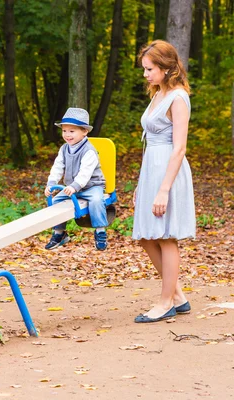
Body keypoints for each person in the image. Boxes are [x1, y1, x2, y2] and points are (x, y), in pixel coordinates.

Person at [133, 40, 195, 323]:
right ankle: (178, 295)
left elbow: (179, 148)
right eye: (145, 69)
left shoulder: (178, 98)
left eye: (149, 69)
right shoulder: (157, 94)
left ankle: (165, 301)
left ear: (166, 67)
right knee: (146, 236)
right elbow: (150, 144)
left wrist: (163, 189)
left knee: (166, 236)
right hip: (151, 170)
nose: (145, 74)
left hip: (169, 172)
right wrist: (142, 185)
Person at [44, 107, 108, 251]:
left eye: (72, 131)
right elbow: (57, 166)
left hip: (91, 186)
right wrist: (51, 184)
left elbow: (85, 173)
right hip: (71, 188)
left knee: (97, 201)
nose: (67, 135)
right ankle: (59, 233)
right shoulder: (64, 149)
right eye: (64, 131)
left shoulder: (89, 151)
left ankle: (100, 231)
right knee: (55, 202)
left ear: (84, 131)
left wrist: (74, 186)